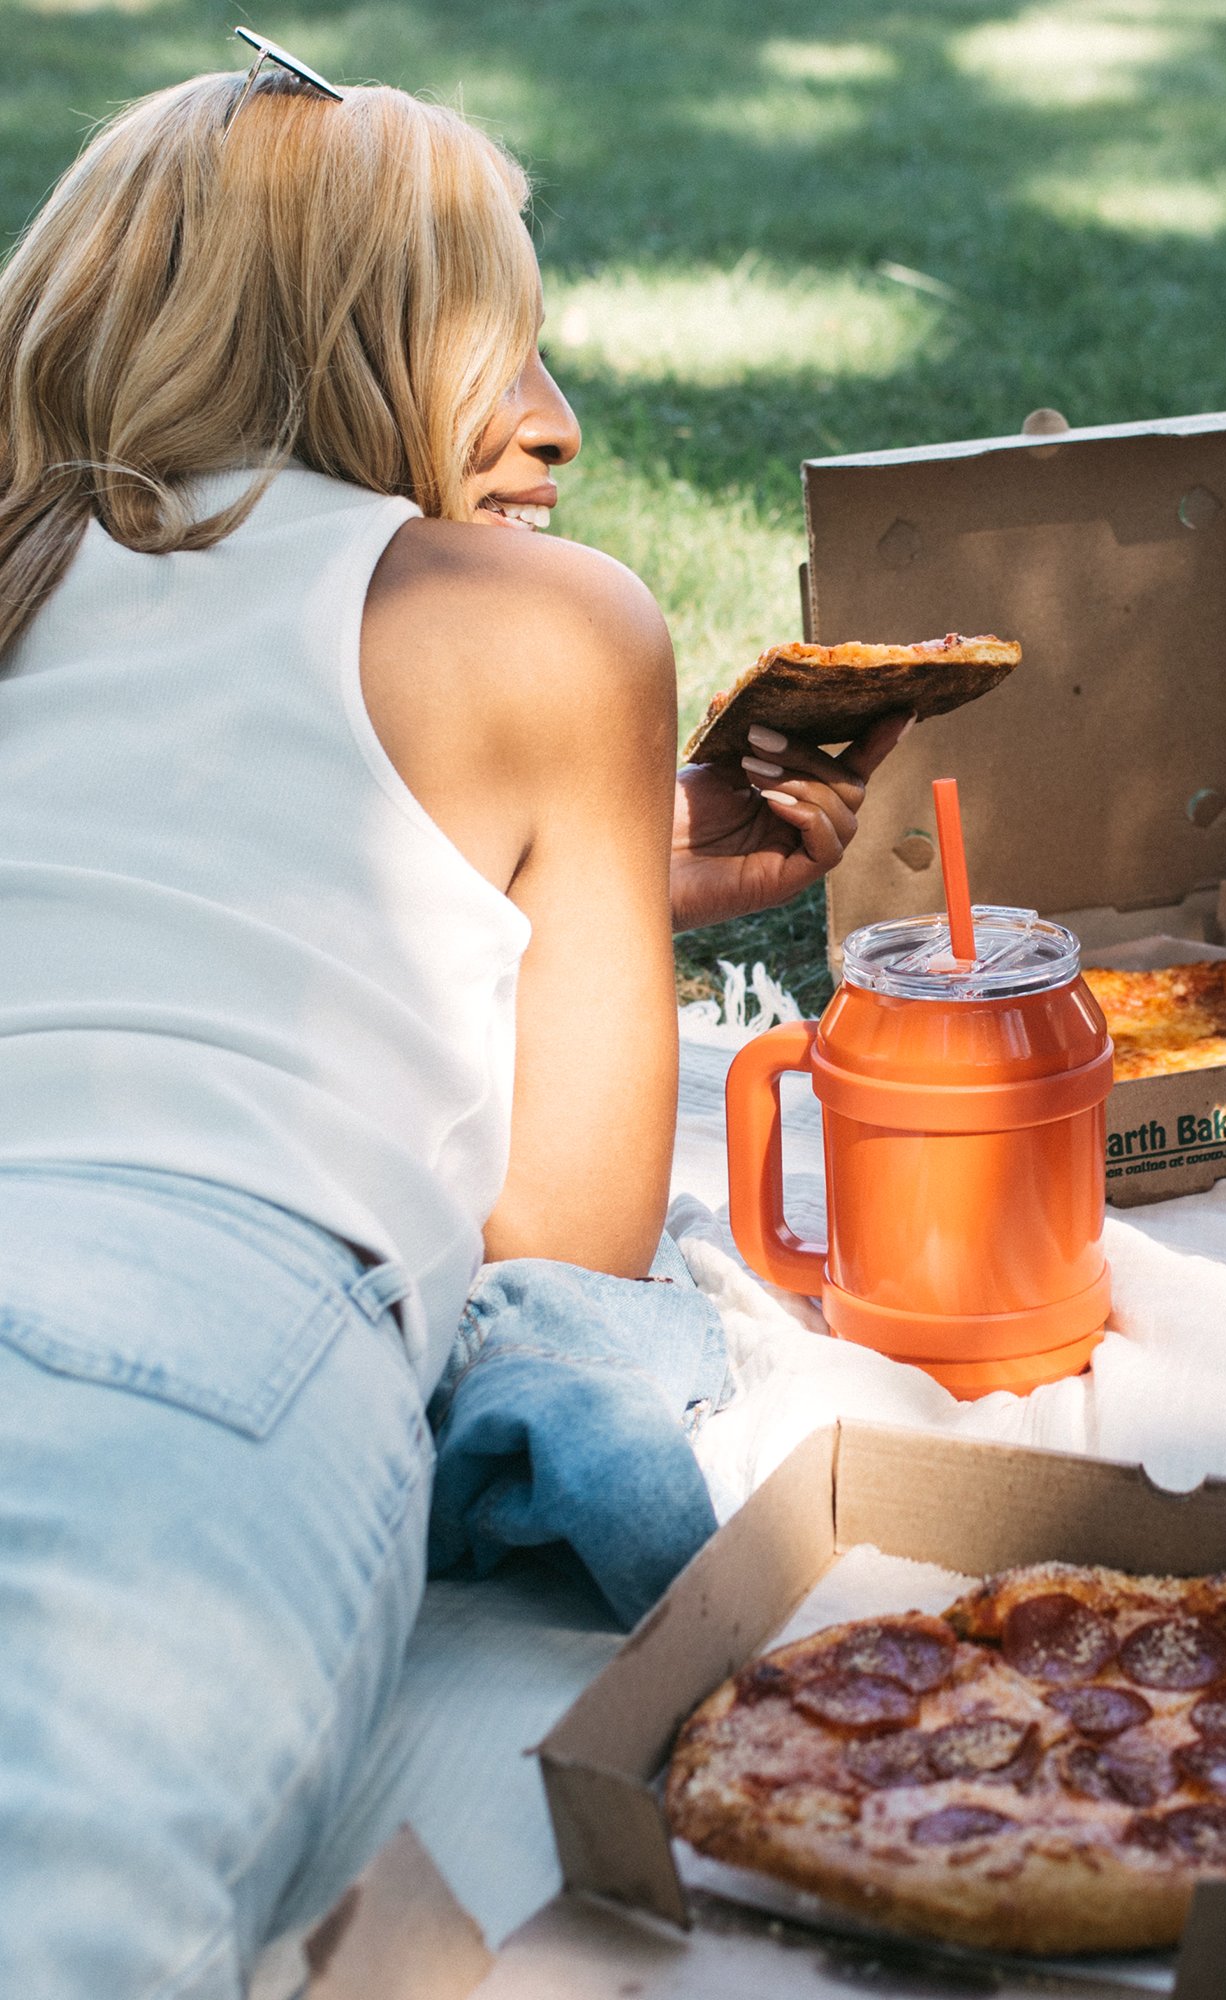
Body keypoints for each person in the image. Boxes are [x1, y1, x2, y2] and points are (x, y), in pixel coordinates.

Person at [0, 53, 899, 1999]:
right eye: (497, 349)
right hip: (205, 1324)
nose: (557, 431)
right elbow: (559, 1249)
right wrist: (581, 909)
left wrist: (572, 890)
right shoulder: (551, 628)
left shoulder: (21, 567)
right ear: (335, 345)